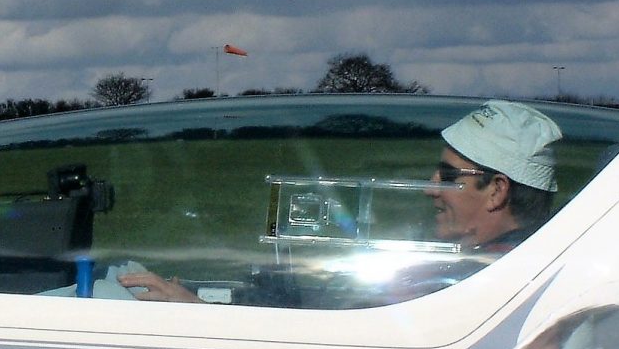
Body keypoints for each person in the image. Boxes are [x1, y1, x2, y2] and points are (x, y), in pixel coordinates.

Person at [118, 99, 563, 303]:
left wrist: (194, 312)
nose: (431, 188)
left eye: (448, 176)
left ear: (497, 191)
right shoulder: (487, 265)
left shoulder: (483, 285)